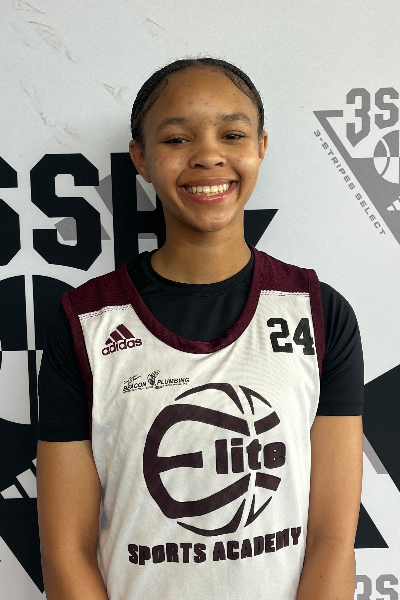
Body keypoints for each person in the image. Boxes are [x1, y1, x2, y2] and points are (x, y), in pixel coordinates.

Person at [36, 57, 364, 600]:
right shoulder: (87, 323)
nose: (209, 155)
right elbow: (66, 550)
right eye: (177, 139)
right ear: (141, 158)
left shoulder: (319, 312)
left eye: (232, 134)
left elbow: (332, 539)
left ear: (261, 146)